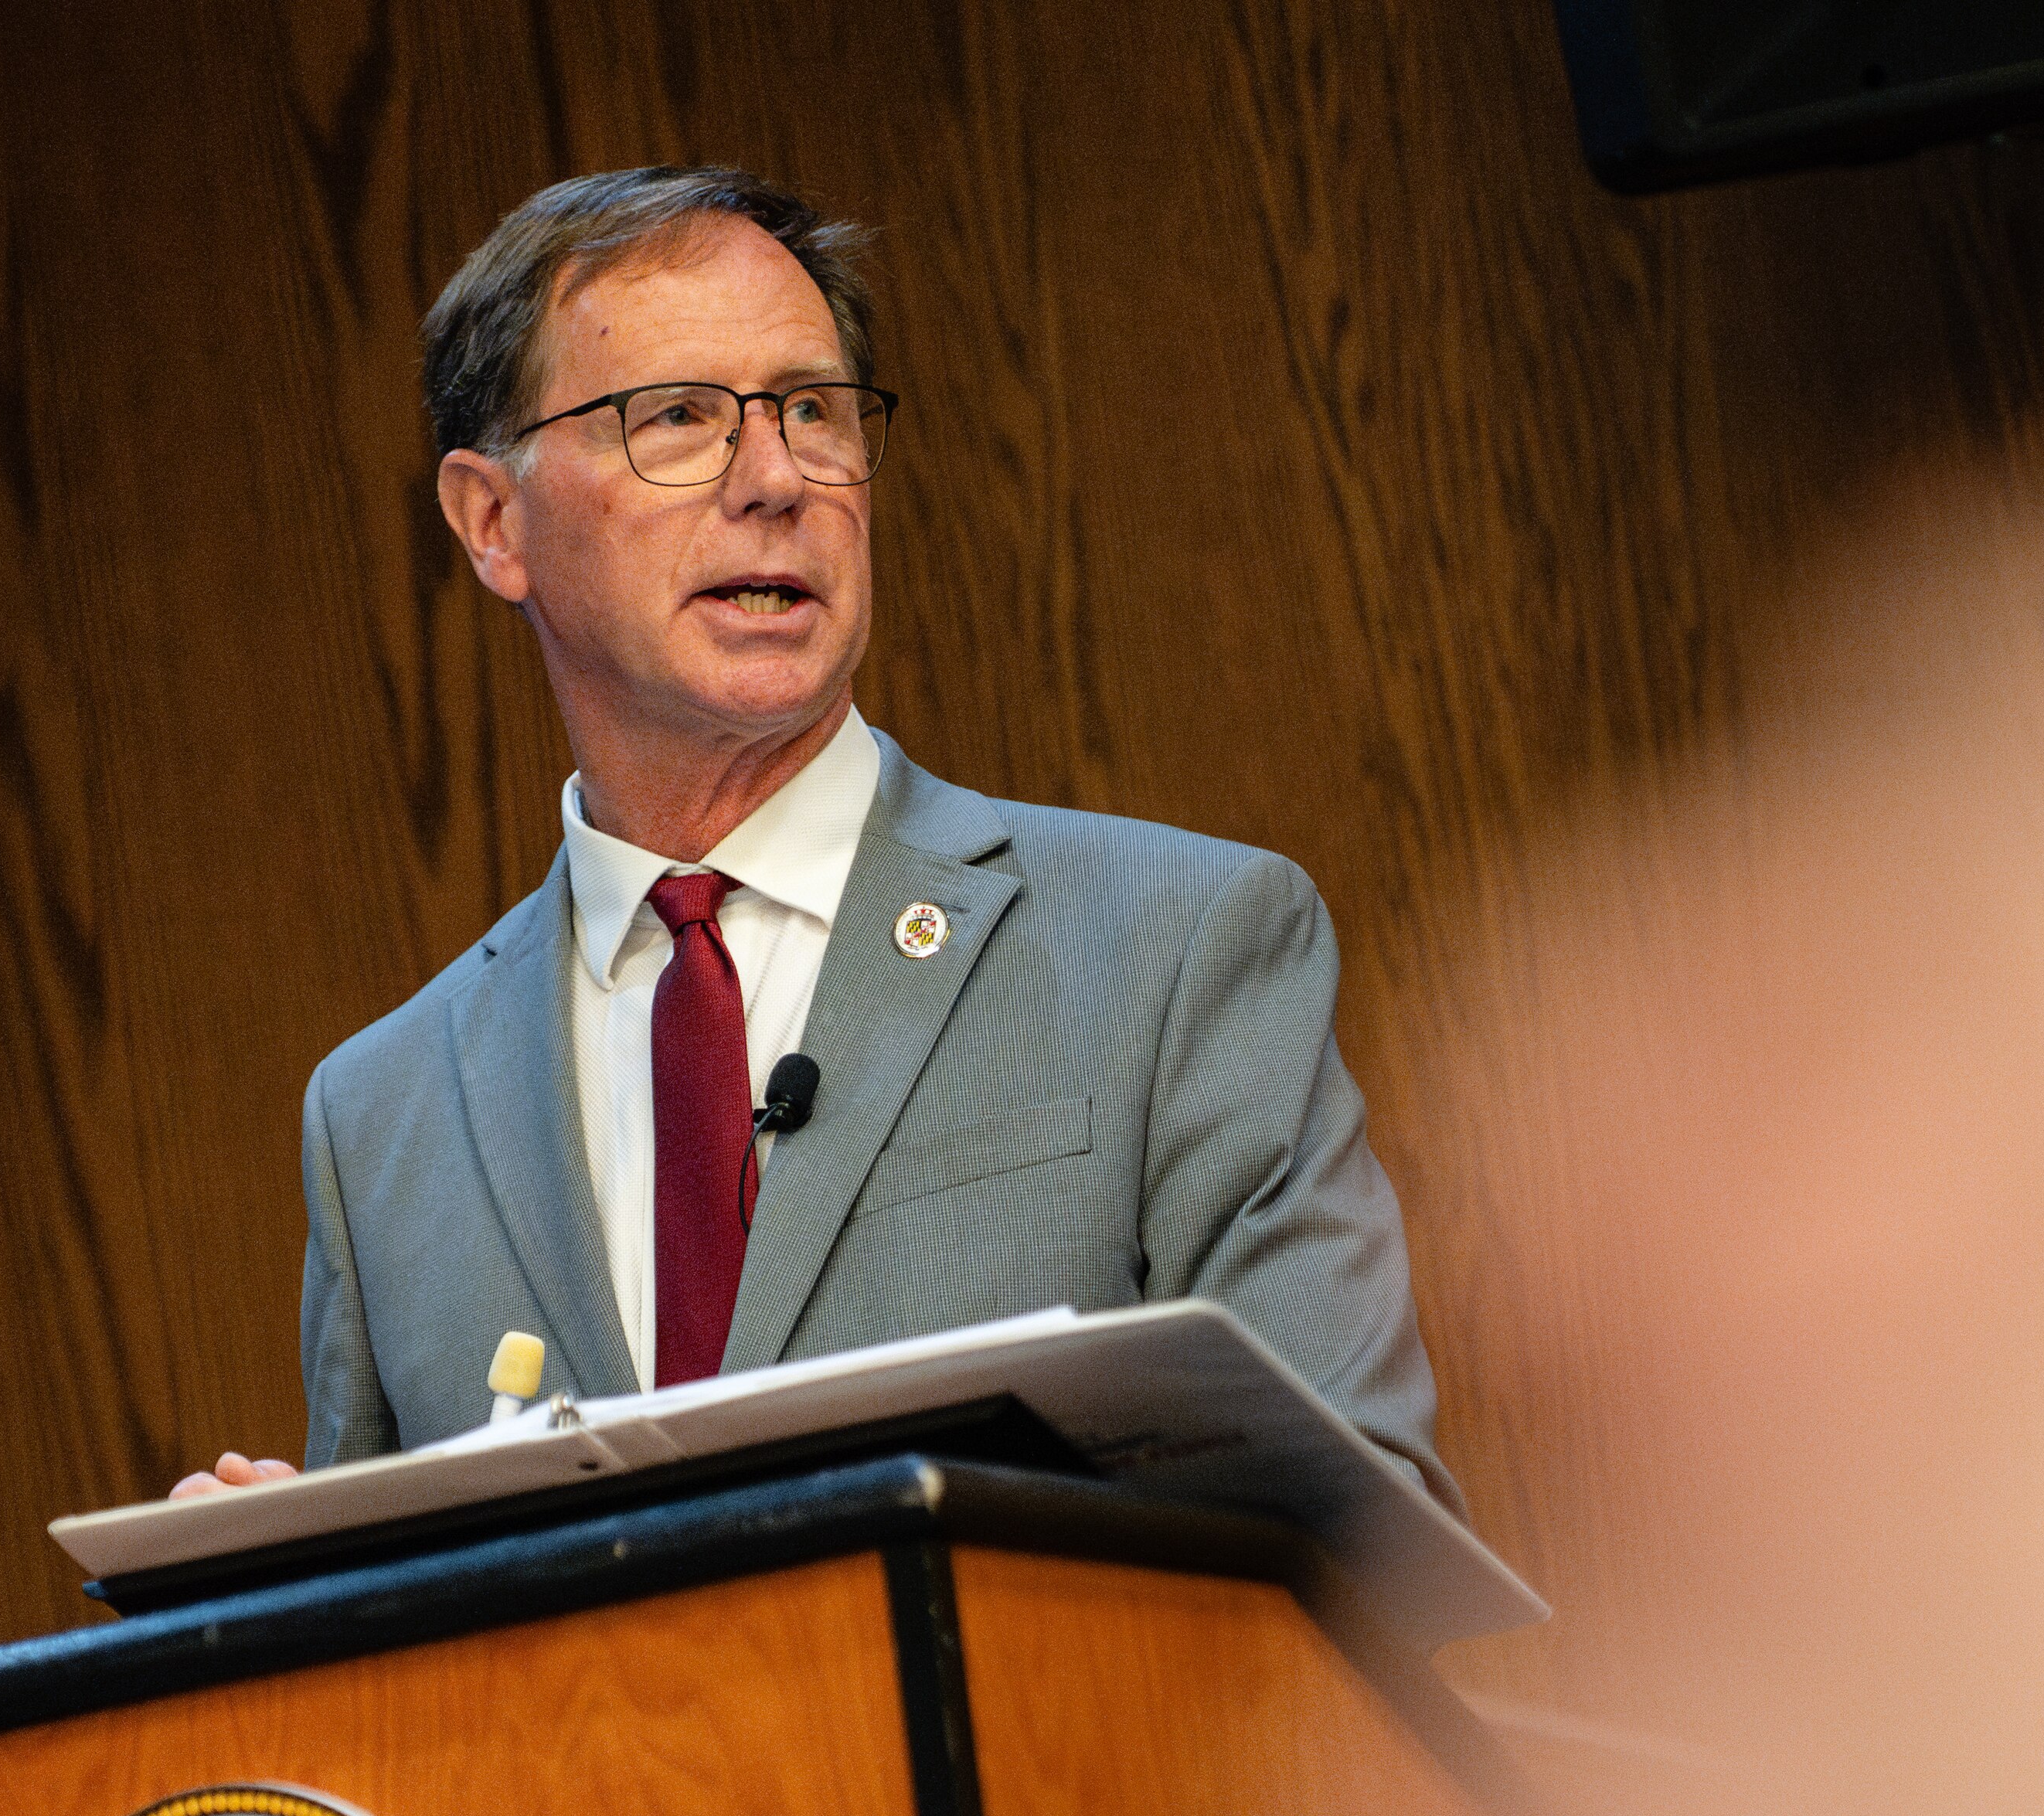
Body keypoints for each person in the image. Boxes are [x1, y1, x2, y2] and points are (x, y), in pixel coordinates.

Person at [179, 168, 1453, 1508]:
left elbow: (1364, 1536)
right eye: (677, 417)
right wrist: (287, 1584)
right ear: (495, 522)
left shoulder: (1179, 948)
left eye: (811, 411)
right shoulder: (383, 1119)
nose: (776, 480)